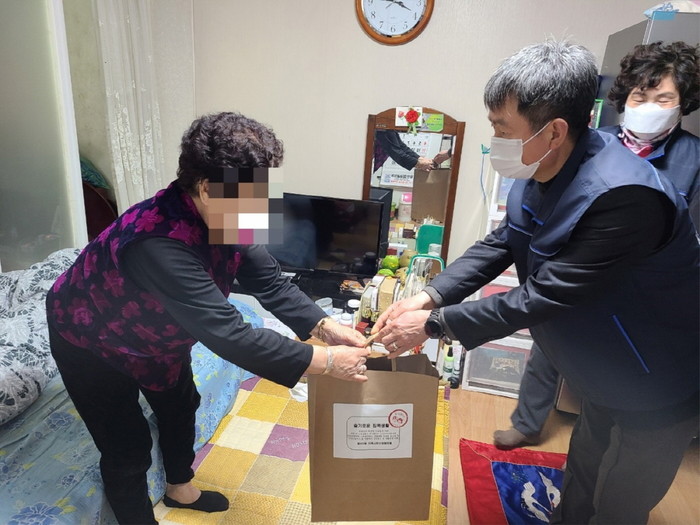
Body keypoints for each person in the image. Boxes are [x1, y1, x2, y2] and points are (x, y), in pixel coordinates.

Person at [372, 40, 699, 524]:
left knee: (621, 499)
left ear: (554, 131)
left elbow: (546, 293)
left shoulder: (626, 196)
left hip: (655, 373)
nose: (496, 138)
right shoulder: (544, 163)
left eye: (502, 129)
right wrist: (429, 294)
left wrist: (434, 323)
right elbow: (504, 240)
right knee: (584, 468)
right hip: (601, 360)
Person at [46, 112, 371, 525]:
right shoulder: (156, 242)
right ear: (207, 188)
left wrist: (325, 326)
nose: (262, 200)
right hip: (91, 337)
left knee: (181, 404)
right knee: (127, 447)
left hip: (158, 333)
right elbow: (229, 334)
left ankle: (179, 487)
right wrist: (327, 362)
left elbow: (269, 281)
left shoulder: (230, 210)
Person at [493, 40, 700, 450]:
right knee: (549, 347)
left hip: (639, 296)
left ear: (683, 104)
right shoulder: (591, 143)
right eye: (640, 96)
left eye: (663, 99)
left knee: (618, 399)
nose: (649, 106)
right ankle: (529, 422)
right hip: (569, 275)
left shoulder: (692, 160)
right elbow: (521, 224)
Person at [374, 129, 450, 172]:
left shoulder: (391, 128)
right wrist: (418, 163)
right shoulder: (383, 127)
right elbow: (394, 151)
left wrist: (420, 159)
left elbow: (401, 146)